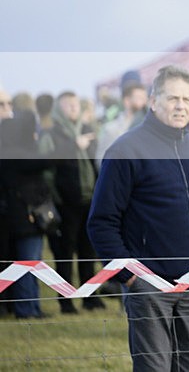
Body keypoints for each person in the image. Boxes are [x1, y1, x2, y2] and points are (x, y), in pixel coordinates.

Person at [87, 65, 189, 371]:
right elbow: (101, 222)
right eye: (173, 98)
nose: (181, 106)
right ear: (153, 100)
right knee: (154, 368)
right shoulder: (125, 150)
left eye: (187, 99)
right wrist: (132, 278)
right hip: (148, 285)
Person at [39, 90, 101, 314]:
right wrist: (74, 145)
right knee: (64, 254)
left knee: (88, 250)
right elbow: (46, 165)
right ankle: (66, 301)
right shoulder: (52, 133)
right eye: (68, 105)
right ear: (58, 109)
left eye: (76, 104)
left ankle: (89, 297)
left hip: (88, 201)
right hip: (65, 203)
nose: (74, 108)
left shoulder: (87, 130)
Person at [0, 111, 55, 319]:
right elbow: (46, 161)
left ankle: (32, 307)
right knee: (28, 264)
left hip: (24, 219)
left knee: (32, 264)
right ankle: (27, 309)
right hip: (25, 220)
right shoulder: (16, 155)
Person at [94, 82, 148, 168]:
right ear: (127, 101)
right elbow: (101, 161)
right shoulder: (111, 129)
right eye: (140, 98)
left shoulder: (150, 126)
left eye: (145, 98)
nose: (144, 102)